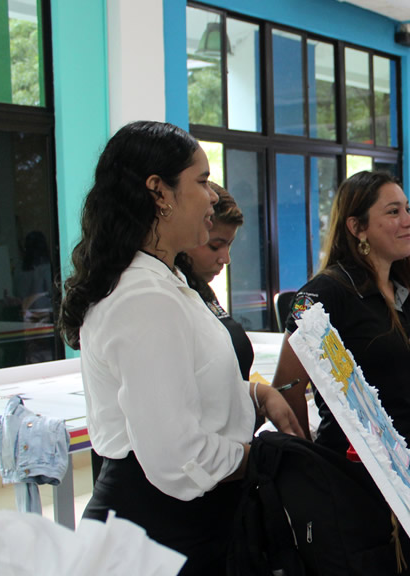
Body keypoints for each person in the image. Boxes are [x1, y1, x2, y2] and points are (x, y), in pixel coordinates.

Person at [58, 121, 302, 575]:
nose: (212, 196)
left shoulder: (166, 281)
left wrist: (254, 395)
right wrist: (266, 459)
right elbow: (178, 455)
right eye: (202, 181)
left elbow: (191, 384)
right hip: (156, 534)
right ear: (159, 192)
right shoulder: (144, 296)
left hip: (187, 526)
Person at [272, 170, 410, 573]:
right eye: (393, 211)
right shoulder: (323, 292)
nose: (409, 220)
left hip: (407, 470)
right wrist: (311, 463)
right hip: (354, 476)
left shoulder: (401, 289)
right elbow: (287, 385)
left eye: (409, 210)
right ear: (356, 226)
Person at [175, 182, 253, 380]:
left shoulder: (201, 291)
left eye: (229, 245)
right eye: (215, 246)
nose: (225, 259)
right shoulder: (168, 298)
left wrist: (254, 393)